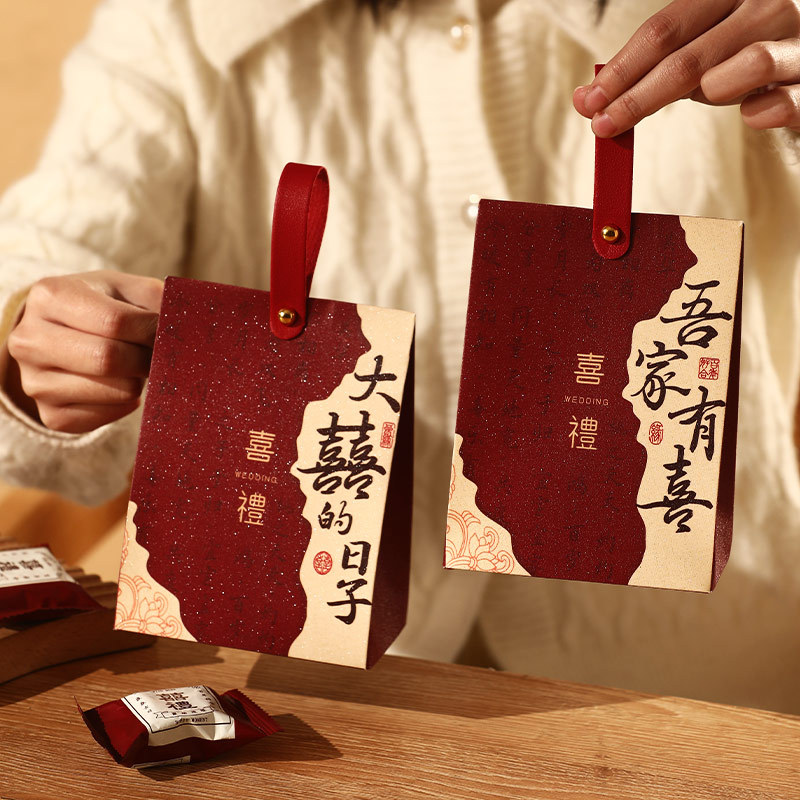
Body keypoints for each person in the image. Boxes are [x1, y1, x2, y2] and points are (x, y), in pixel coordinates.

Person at [1, 0, 800, 711]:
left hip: (706, 685)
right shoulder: (180, 23)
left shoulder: (735, 16)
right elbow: (45, 248)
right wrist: (29, 341)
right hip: (311, 696)